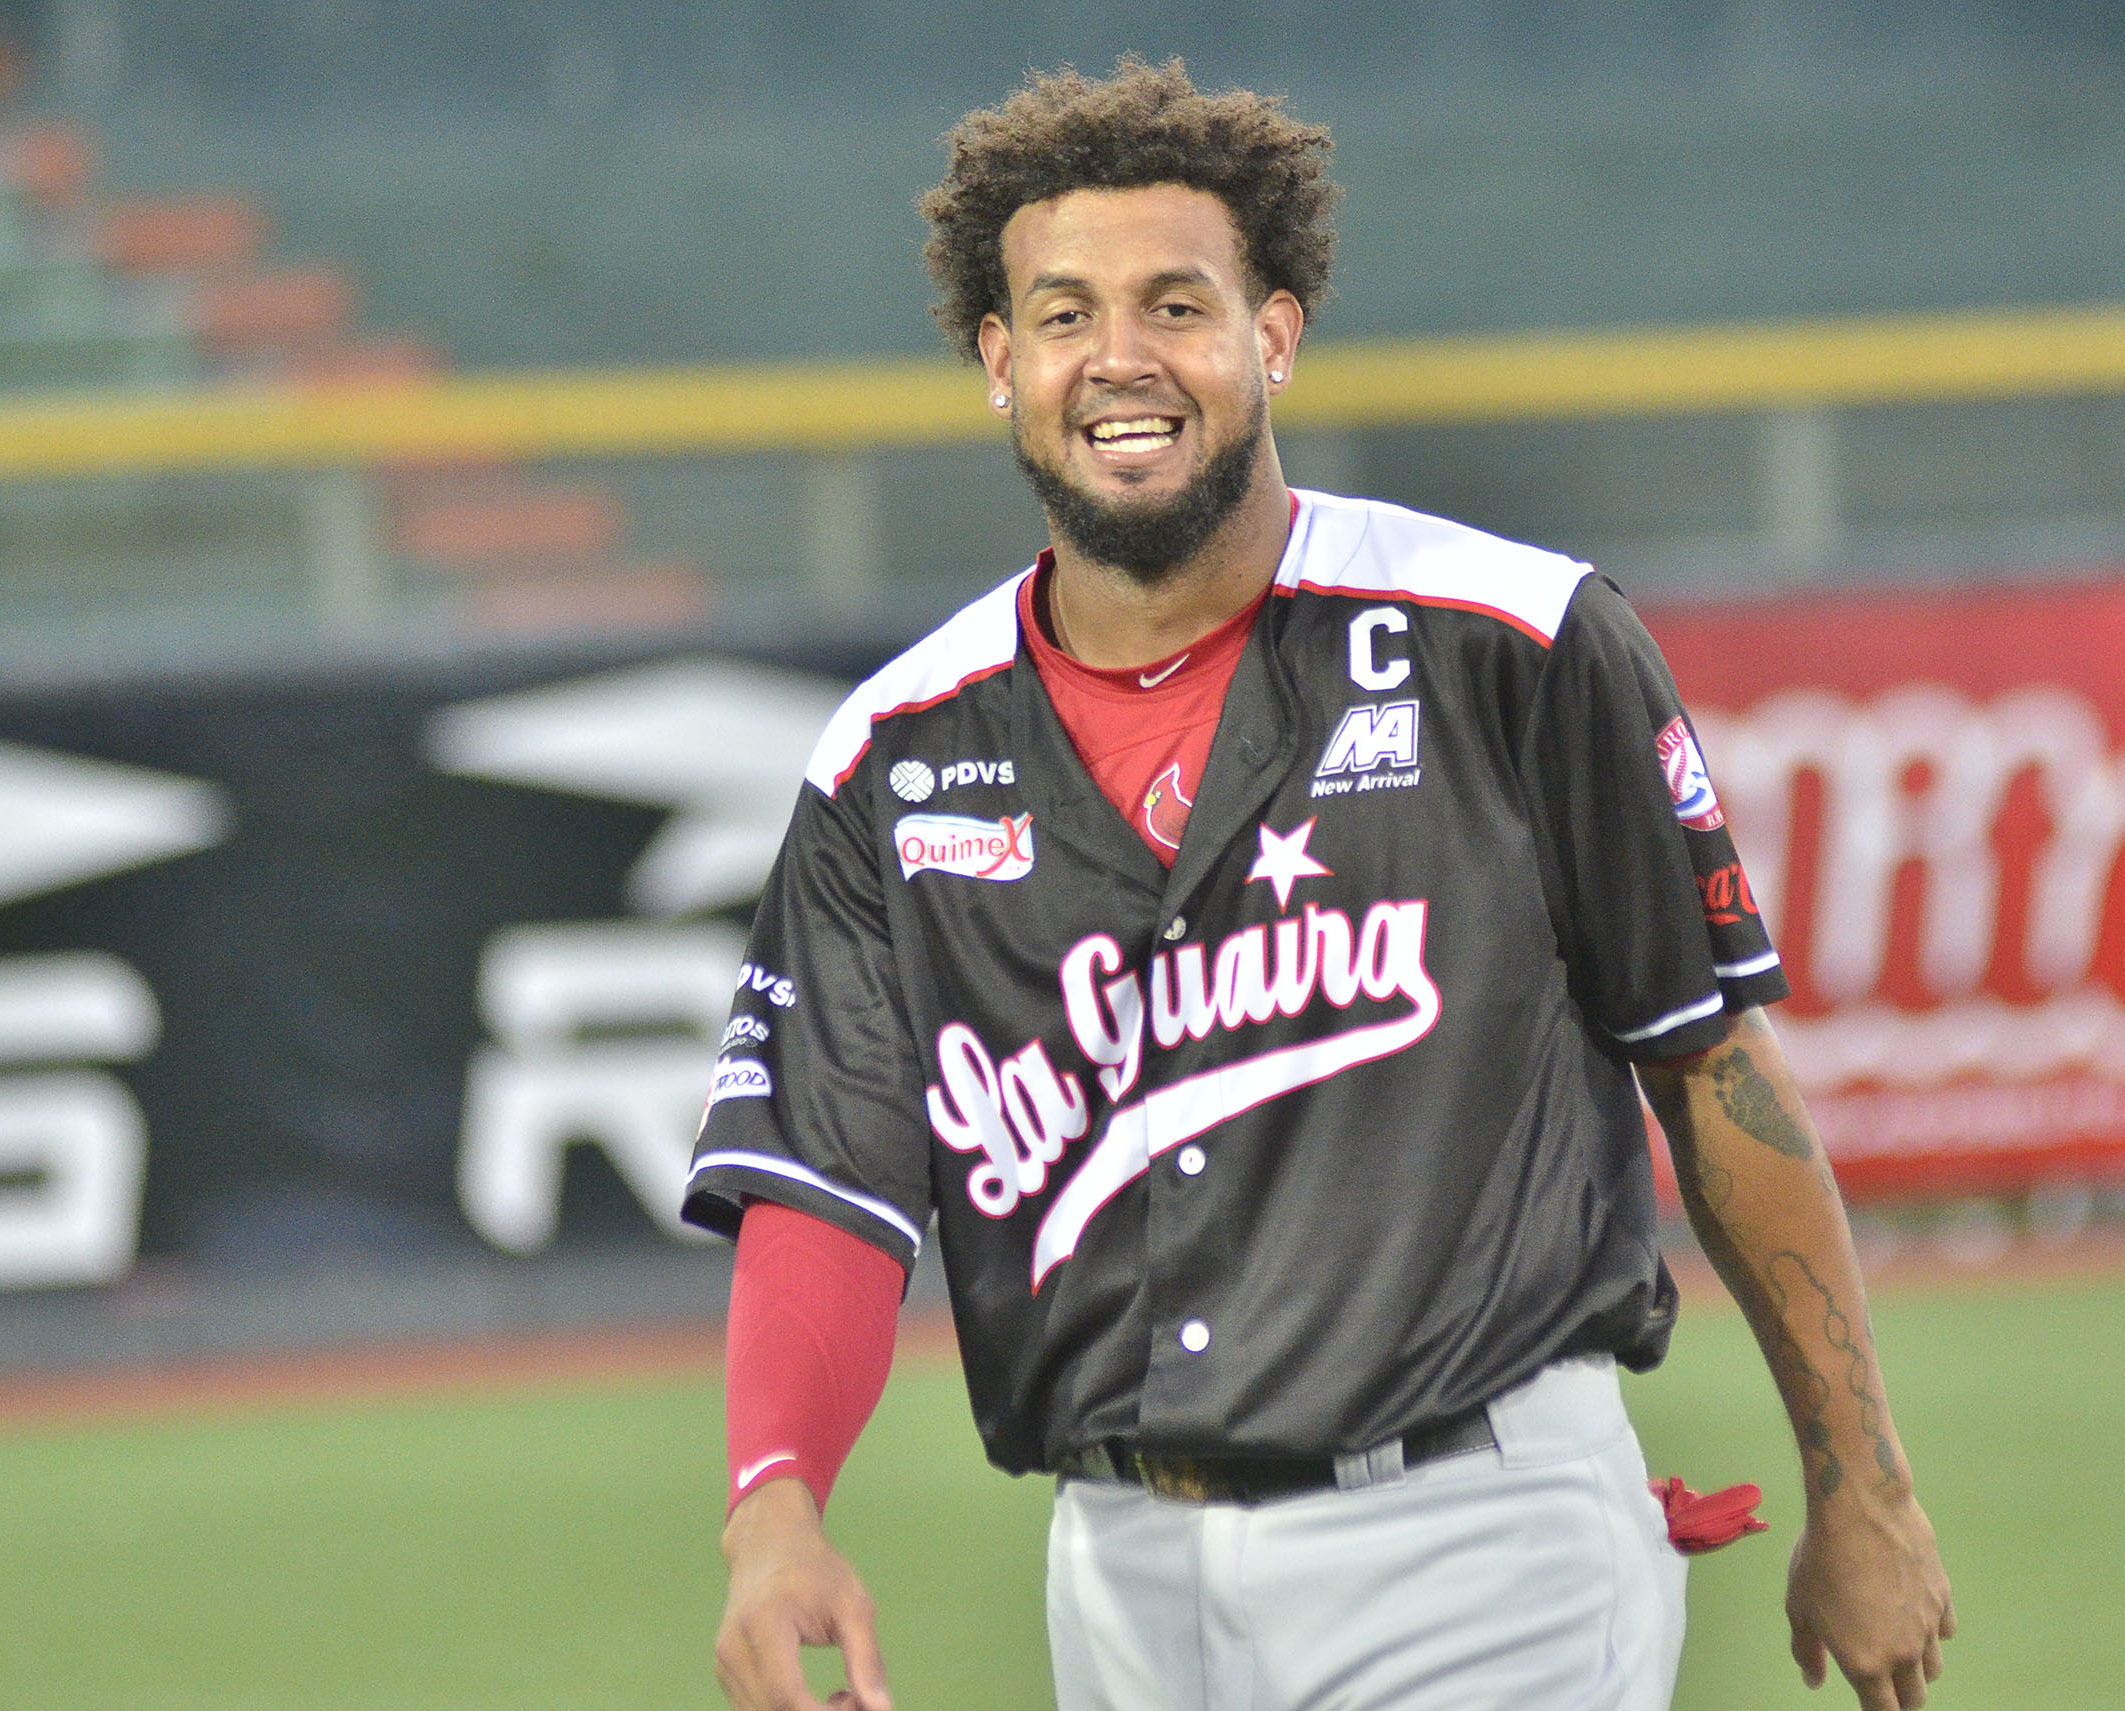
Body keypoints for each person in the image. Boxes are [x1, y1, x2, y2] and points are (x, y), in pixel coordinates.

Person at [685, 57, 1952, 1711]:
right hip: (1120, 1576)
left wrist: (1862, 1483)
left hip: (1480, 1539)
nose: (1118, 359)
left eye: (1176, 305)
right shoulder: (893, 759)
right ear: (998, 363)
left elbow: (1712, 1073)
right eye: (1062, 316)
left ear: (1272, 335)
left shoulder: (1511, 646)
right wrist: (772, 1508)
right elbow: (824, 1187)